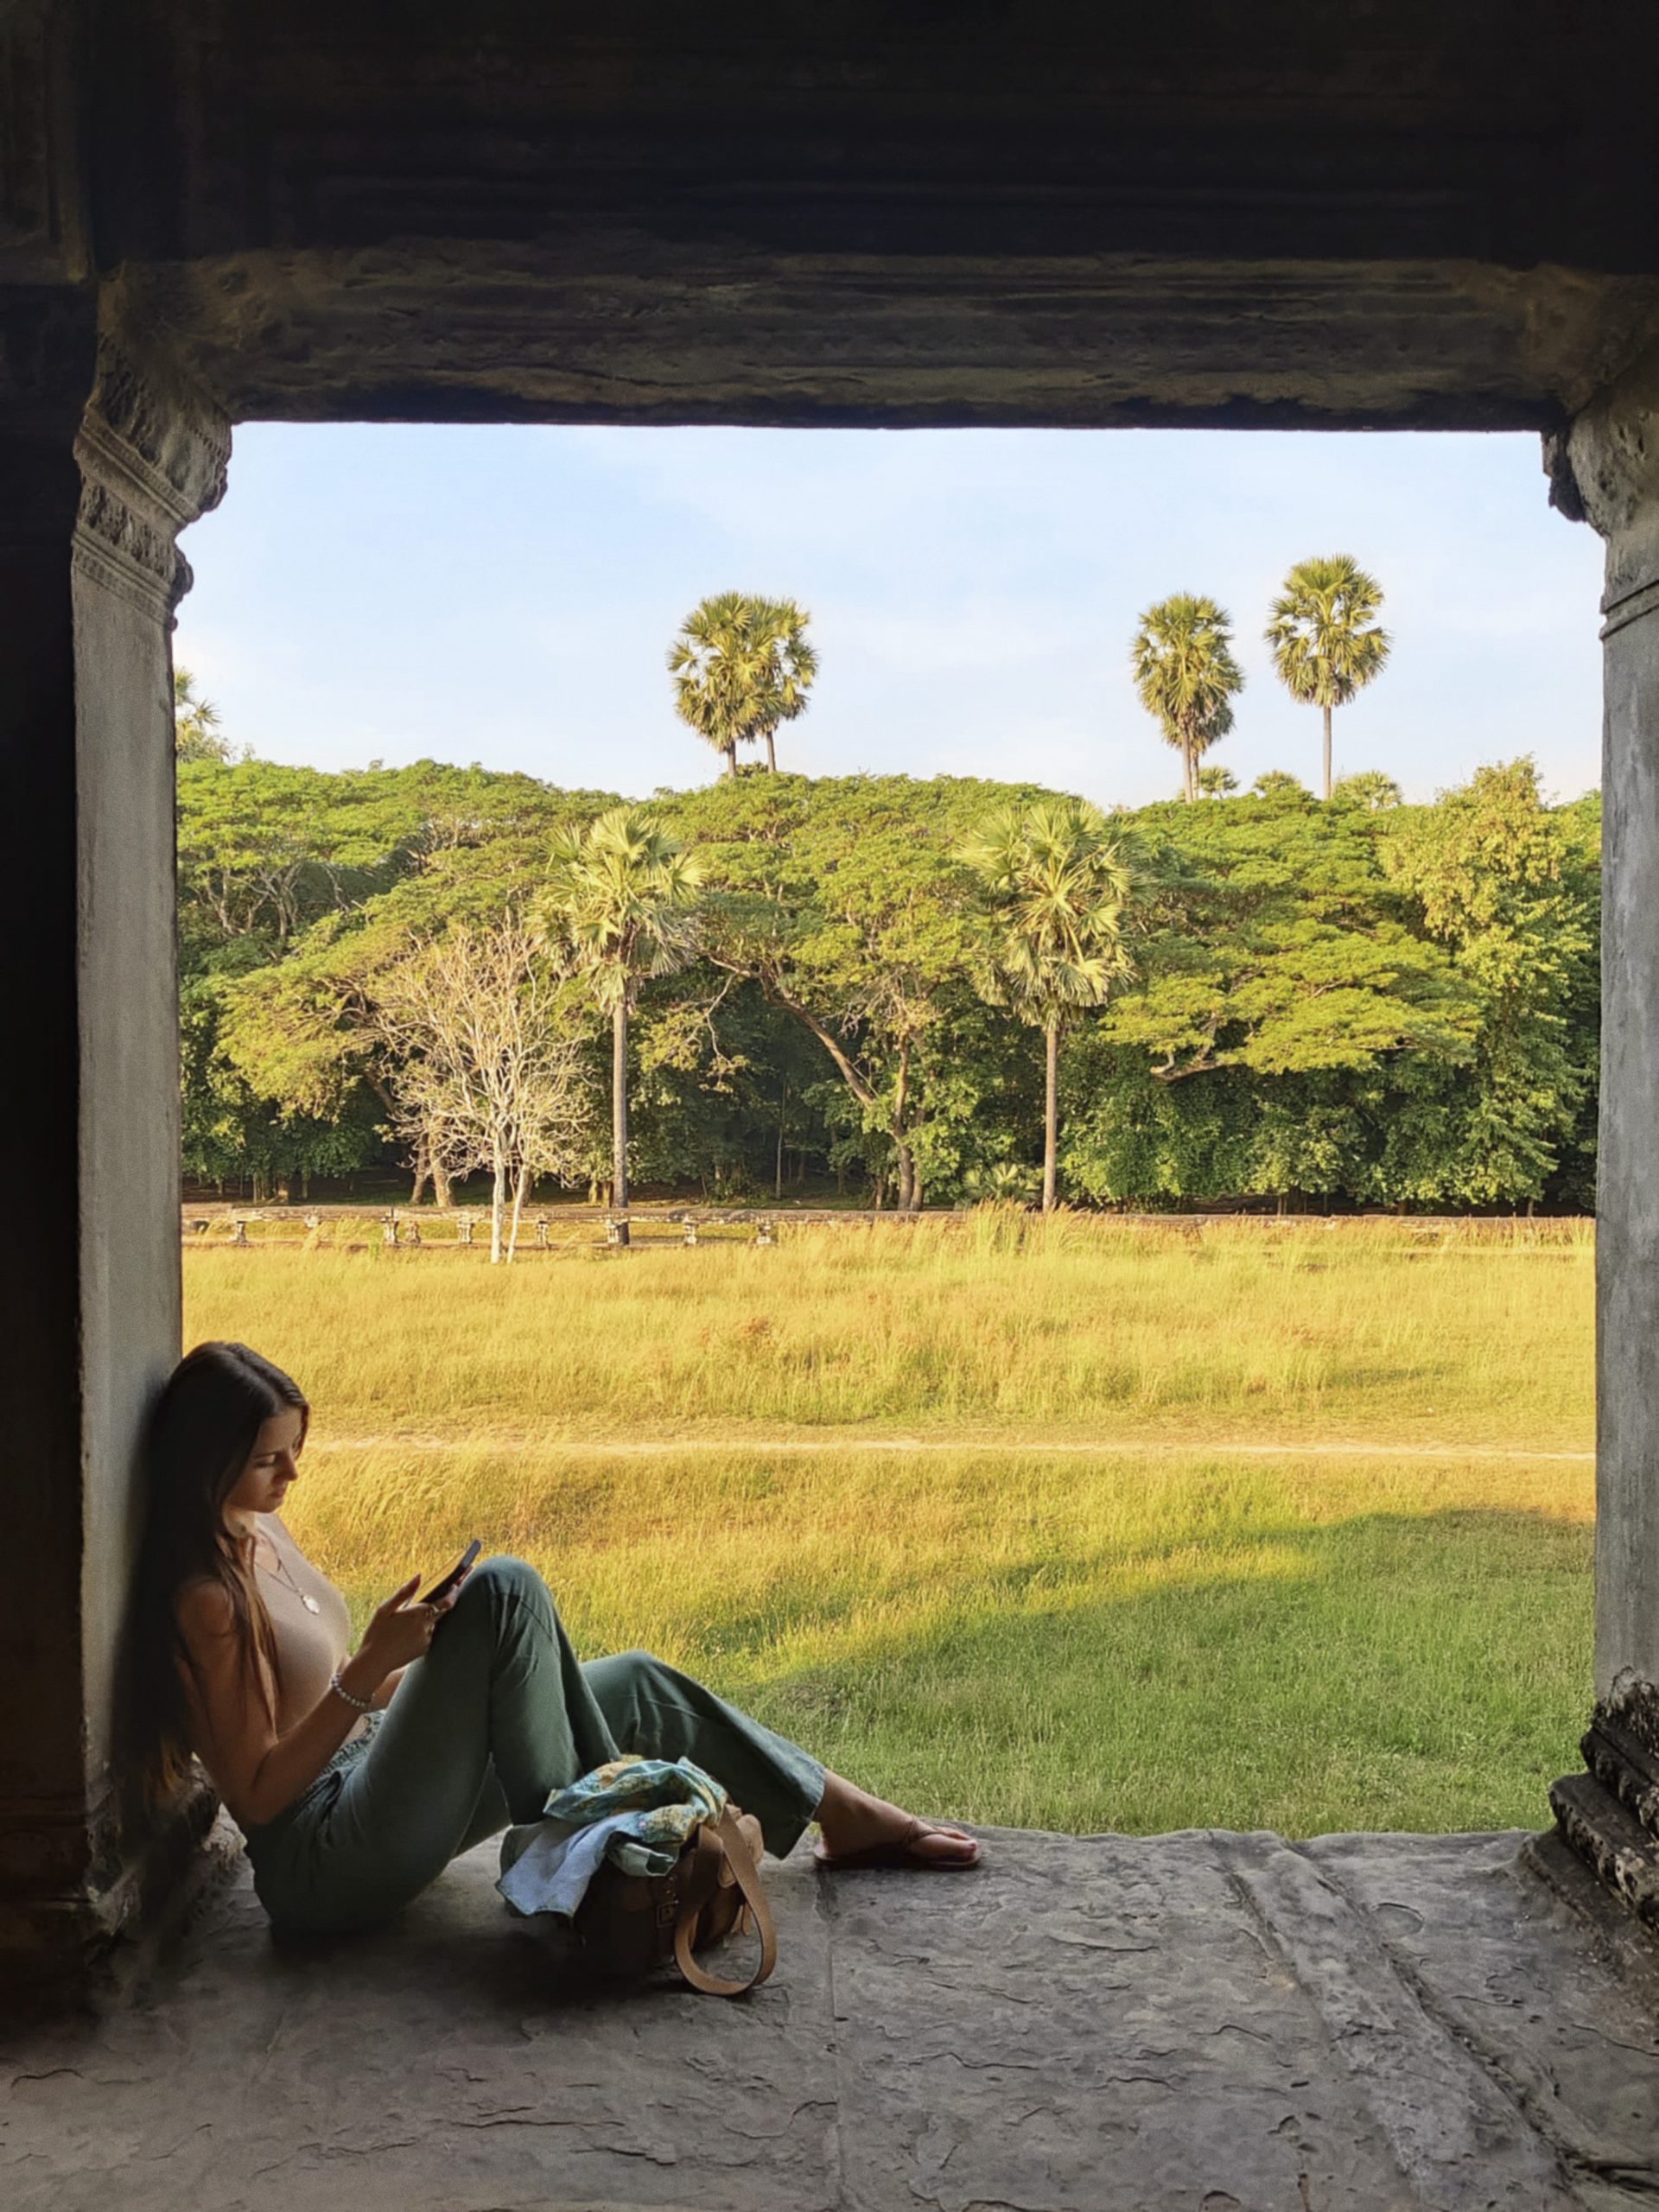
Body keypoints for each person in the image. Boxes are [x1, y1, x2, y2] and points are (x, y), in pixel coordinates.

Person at [133, 1340, 980, 1939]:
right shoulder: (206, 1597)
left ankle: (846, 1811)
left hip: (372, 1771)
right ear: (209, 1463)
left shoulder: (262, 1531)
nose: (292, 1476)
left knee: (640, 1681)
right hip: (323, 1860)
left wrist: (443, 1677)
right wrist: (372, 1666)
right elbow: (256, 1793)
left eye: (294, 1451)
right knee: (504, 1585)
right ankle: (588, 1828)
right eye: (269, 1461)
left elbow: (341, 1698)